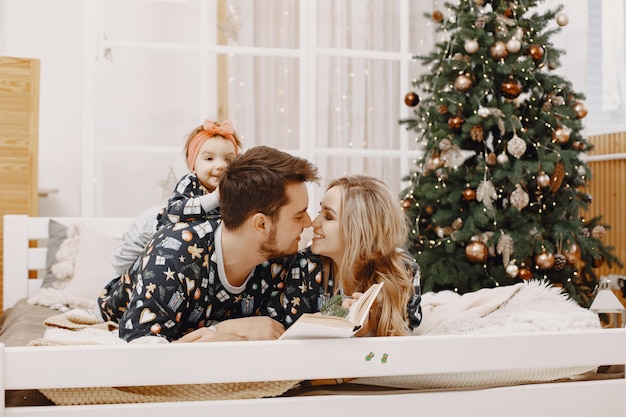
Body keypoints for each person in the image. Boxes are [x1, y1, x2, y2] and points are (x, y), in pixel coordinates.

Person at [98, 145, 320, 343]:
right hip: (117, 305)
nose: (309, 223)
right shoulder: (172, 254)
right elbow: (142, 348)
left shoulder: (281, 261)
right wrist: (224, 330)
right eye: (298, 215)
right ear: (261, 224)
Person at [274, 175, 422, 336]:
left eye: (328, 217)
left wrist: (367, 329)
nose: (314, 223)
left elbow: (404, 339)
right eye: (319, 211)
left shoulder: (402, 269)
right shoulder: (304, 267)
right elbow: (295, 339)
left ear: (360, 229)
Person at [110, 119, 244, 275]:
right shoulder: (190, 182)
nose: (221, 165)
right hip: (153, 226)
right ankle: (111, 287)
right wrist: (214, 198)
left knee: (145, 270)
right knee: (121, 265)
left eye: (229, 160)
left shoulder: (233, 190)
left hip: (183, 245)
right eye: (209, 159)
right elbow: (174, 211)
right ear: (193, 164)